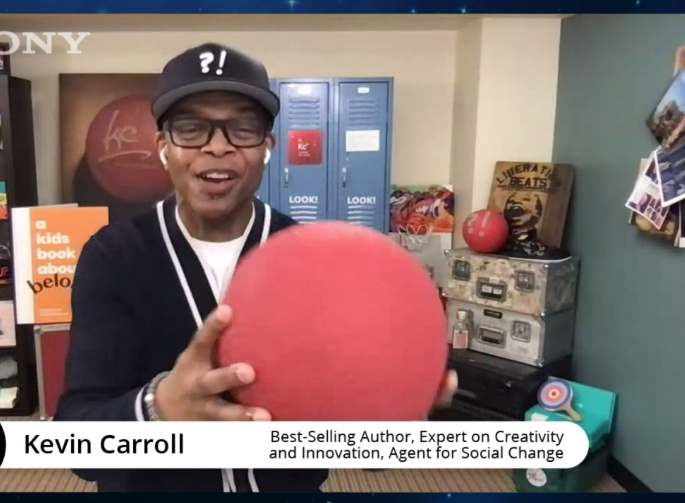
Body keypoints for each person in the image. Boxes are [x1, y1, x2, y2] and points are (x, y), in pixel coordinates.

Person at [55, 42, 458, 493]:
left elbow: (356, 450)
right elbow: (78, 445)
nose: (217, 147)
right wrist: (159, 407)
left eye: (243, 129)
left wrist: (397, 416)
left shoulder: (312, 258)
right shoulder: (114, 257)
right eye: (191, 129)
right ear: (163, 147)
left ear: (266, 147)